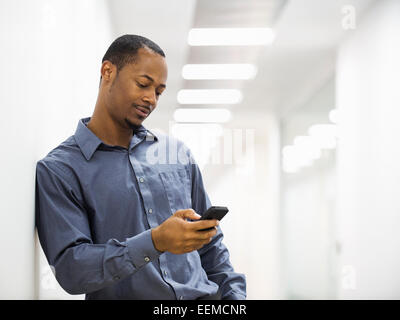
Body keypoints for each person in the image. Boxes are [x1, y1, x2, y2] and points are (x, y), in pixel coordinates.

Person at [35, 34, 246, 300]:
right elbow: (73, 270)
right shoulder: (60, 170)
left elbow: (211, 245)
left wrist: (235, 299)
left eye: (158, 91)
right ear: (108, 72)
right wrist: (156, 241)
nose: (151, 100)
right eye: (143, 84)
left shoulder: (176, 154)